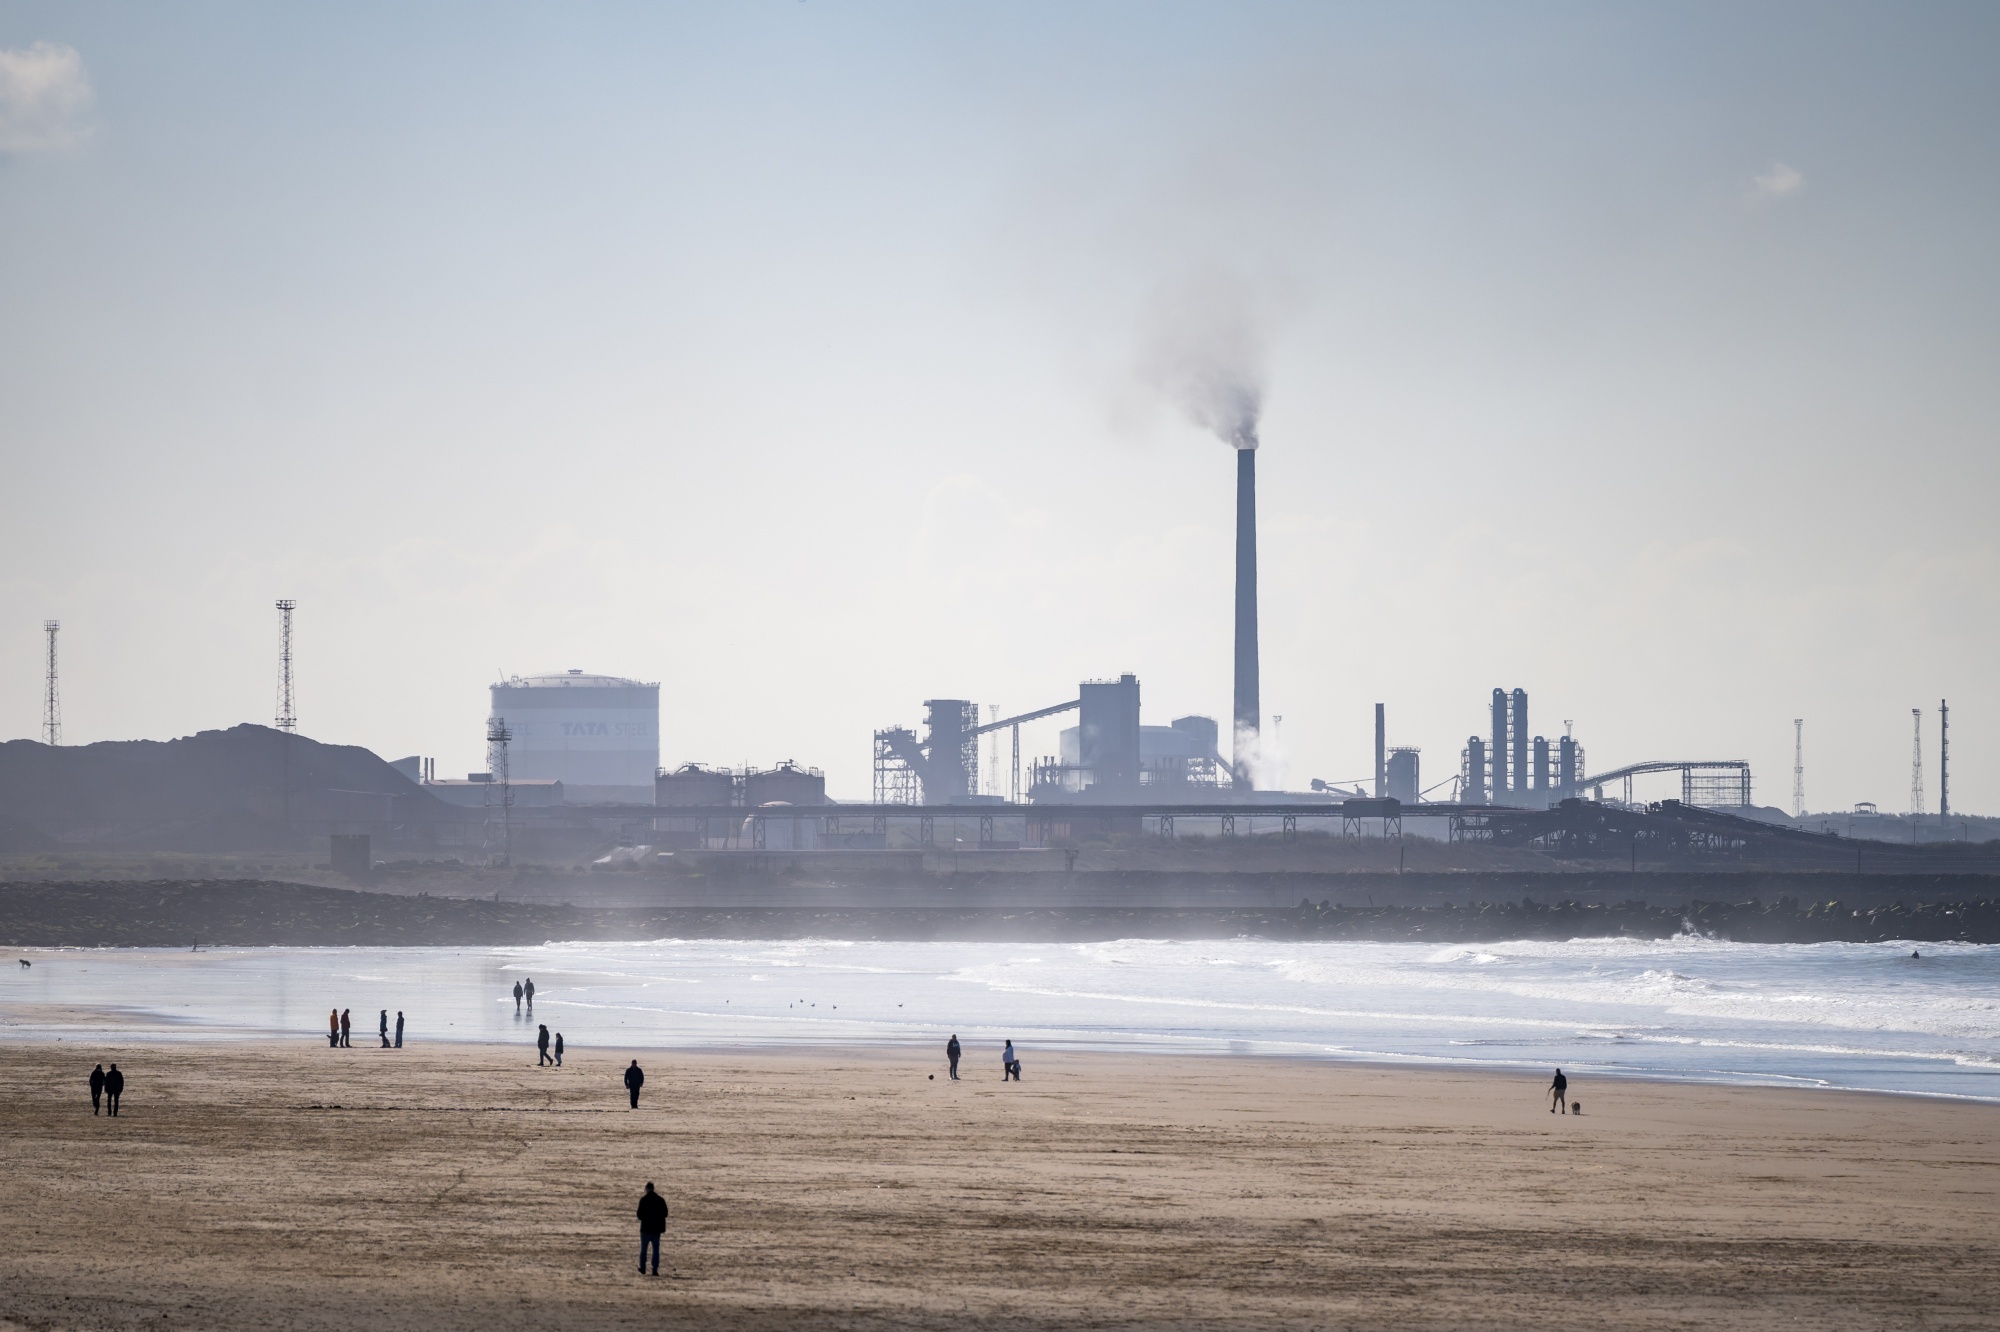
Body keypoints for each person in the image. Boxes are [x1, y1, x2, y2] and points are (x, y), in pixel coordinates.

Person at [636, 1182, 668, 1276]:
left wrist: (646, 1218)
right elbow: (665, 1213)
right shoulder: (660, 1200)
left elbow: (639, 1215)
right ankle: (654, 1269)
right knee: (656, 1250)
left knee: (643, 1249)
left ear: (646, 1188)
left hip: (645, 1229)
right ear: (653, 1188)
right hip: (656, 1229)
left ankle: (643, 1268)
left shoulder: (643, 1200)